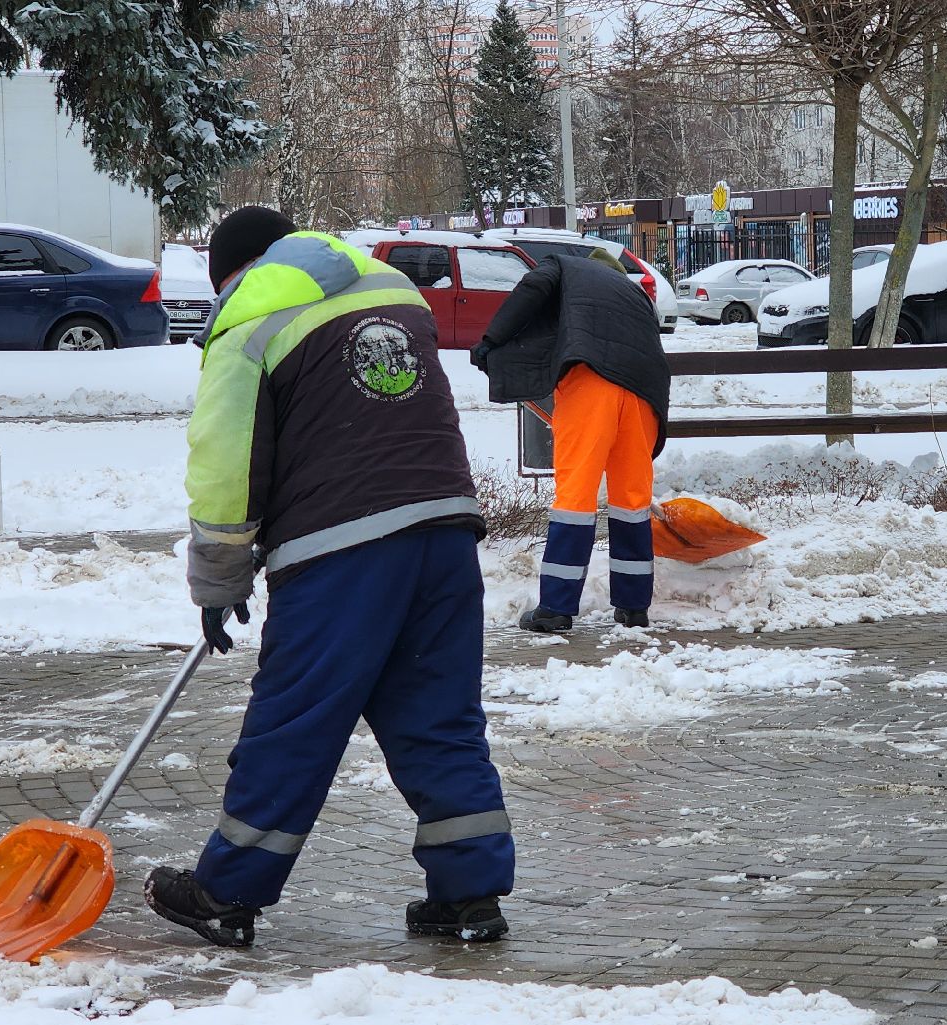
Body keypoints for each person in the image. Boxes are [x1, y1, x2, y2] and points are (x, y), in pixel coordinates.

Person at [146, 206, 515, 946]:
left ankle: (228, 890)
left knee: (296, 719)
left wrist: (218, 579)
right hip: (444, 527)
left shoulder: (250, 307)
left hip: (342, 546)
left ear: (228, 273)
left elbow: (226, 462)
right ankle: (469, 894)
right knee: (437, 717)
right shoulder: (386, 284)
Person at [471, 248, 670, 633]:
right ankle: (633, 606)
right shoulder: (634, 293)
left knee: (575, 498)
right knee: (631, 500)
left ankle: (556, 608)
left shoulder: (563, 266)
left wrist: (491, 341)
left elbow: (532, 289)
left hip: (593, 382)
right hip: (645, 390)